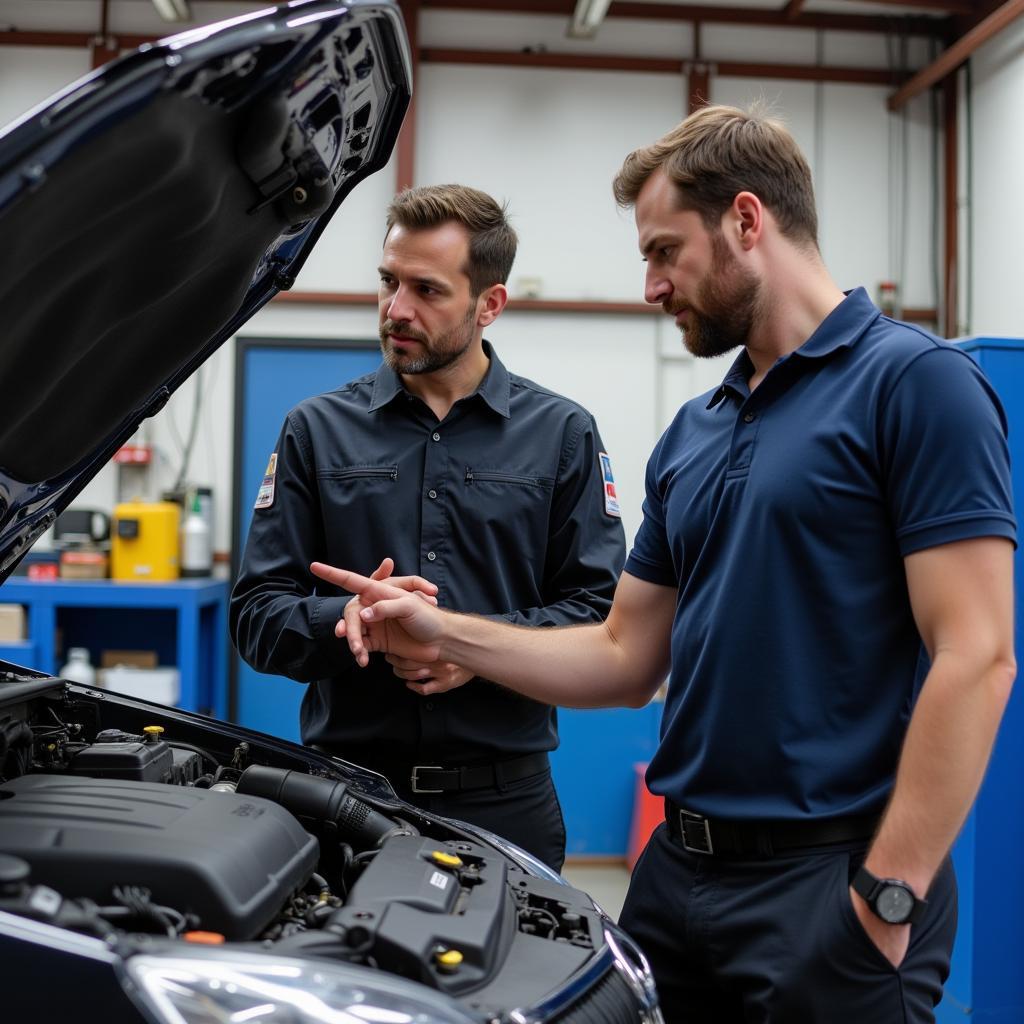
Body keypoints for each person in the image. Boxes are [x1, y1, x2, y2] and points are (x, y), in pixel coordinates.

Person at [310, 106, 1016, 1023]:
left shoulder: (914, 385)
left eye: (665, 252)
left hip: (827, 882)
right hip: (677, 883)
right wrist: (447, 633)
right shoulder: (699, 430)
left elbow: (979, 653)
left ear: (747, 221)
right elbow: (621, 655)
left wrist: (890, 894)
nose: (649, 285)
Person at [230, 183, 626, 872]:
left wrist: (468, 648)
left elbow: (599, 617)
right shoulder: (315, 431)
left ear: (489, 305)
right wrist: (349, 620)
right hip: (348, 800)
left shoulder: (561, 435)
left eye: (427, 290)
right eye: (388, 282)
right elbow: (256, 618)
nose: (396, 310)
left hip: (507, 808)